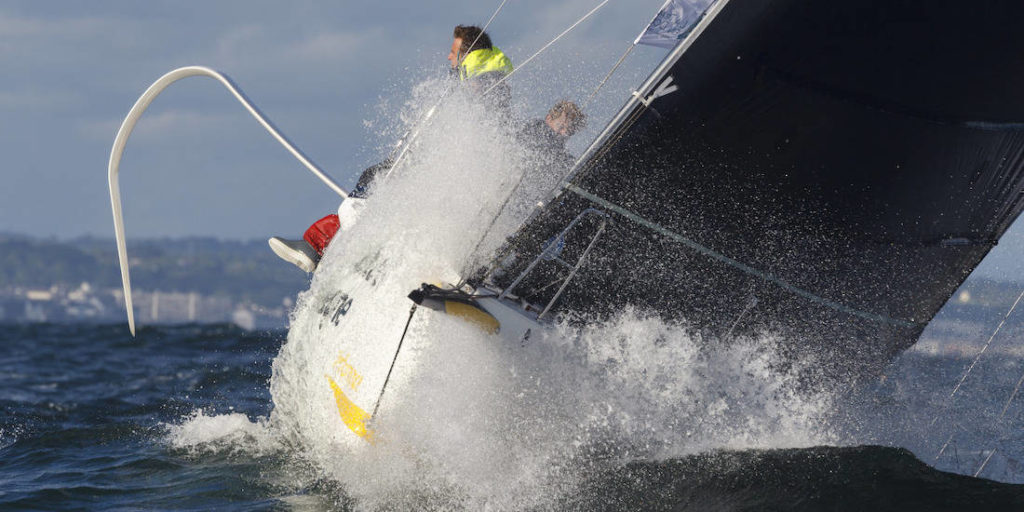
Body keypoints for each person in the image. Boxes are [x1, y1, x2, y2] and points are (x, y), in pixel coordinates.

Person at [268, 26, 518, 273]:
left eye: (453, 52)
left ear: (468, 55)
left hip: (451, 176)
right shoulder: (486, 76)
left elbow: (474, 115)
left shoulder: (478, 78)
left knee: (376, 178)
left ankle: (328, 247)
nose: (448, 57)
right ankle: (321, 246)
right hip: (446, 172)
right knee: (376, 178)